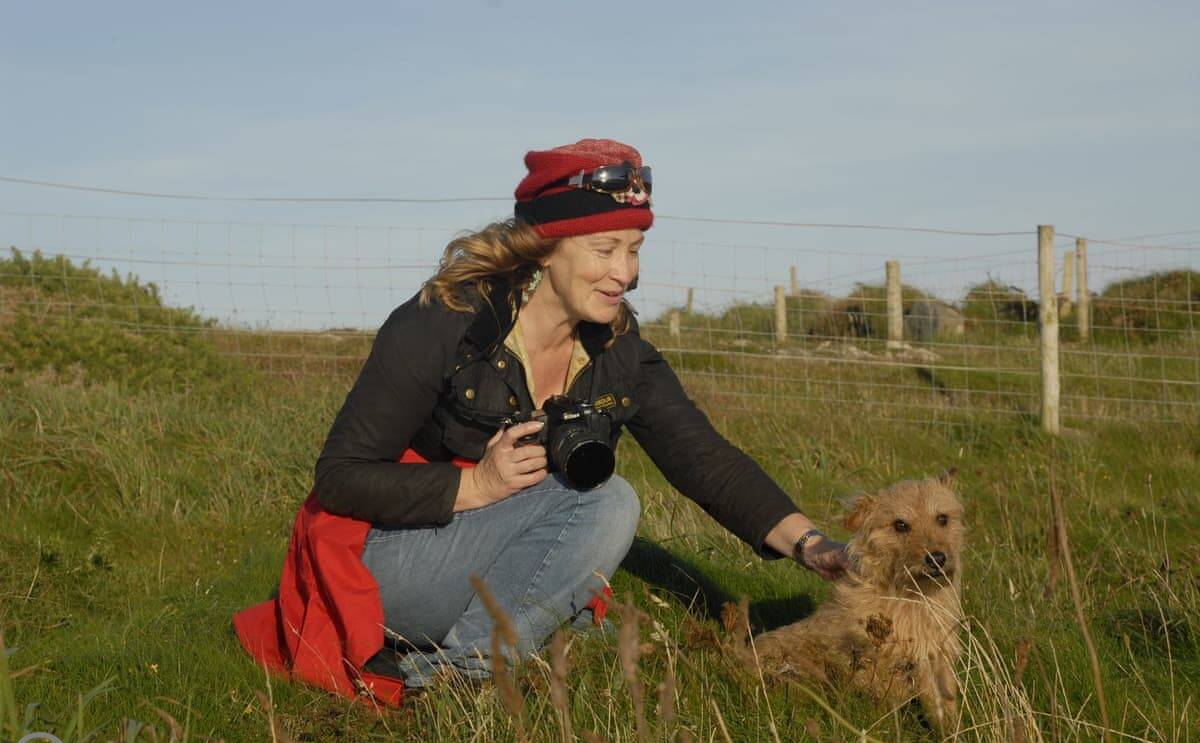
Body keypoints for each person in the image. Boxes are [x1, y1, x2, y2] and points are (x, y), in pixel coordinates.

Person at [232, 138, 848, 705]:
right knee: (608, 502)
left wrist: (814, 546)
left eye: (634, 249)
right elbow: (340, 477)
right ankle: (465, 673)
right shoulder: (443, 322)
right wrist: (475, 485)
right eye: (605, 250)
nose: (626, 273)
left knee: (596, 510)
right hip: (382, 568)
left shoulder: (618, 348)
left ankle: (485, 649)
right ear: (547, 246)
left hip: (480, 558)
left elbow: (703, 458)